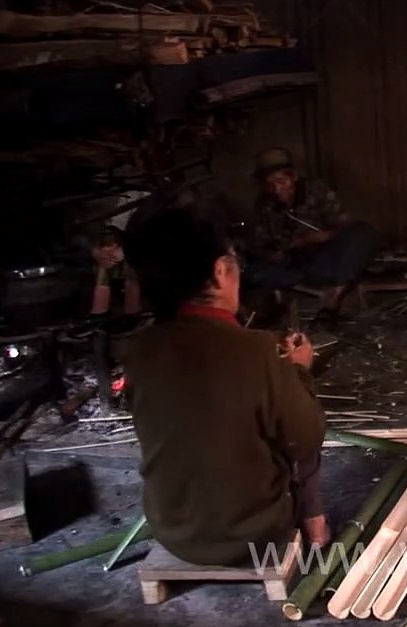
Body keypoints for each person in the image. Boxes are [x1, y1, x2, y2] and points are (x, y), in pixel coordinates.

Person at [123, 208, 330, 566]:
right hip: (253, 536)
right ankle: (317, 528)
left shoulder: (139, 350)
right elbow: (306, 438)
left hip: (174, 533)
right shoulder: (259, 350)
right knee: (298, 421)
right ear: (219, 272)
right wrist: (297, 372)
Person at [244, 146, 377, 323]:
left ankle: (336, 291)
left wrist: (322, 236)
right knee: (249, 267)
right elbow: (263, 244)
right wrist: (279, 252)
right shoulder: (264, 204)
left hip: (328, 258)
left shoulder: (316, 191)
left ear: (292, 177)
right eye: (270, 184)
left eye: (281, 181)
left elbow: (344, 225)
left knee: (362, 233)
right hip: (295, 265)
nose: (276, 189)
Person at [89, 225, 142, 316]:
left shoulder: (124, 246)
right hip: (108, 269)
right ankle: (100, 310)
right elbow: (97, 252)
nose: (107, 236)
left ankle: (132, 310)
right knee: (102, 276)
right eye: (105, 234)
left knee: (131, 276)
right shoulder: (100, 247)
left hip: (126, 265)